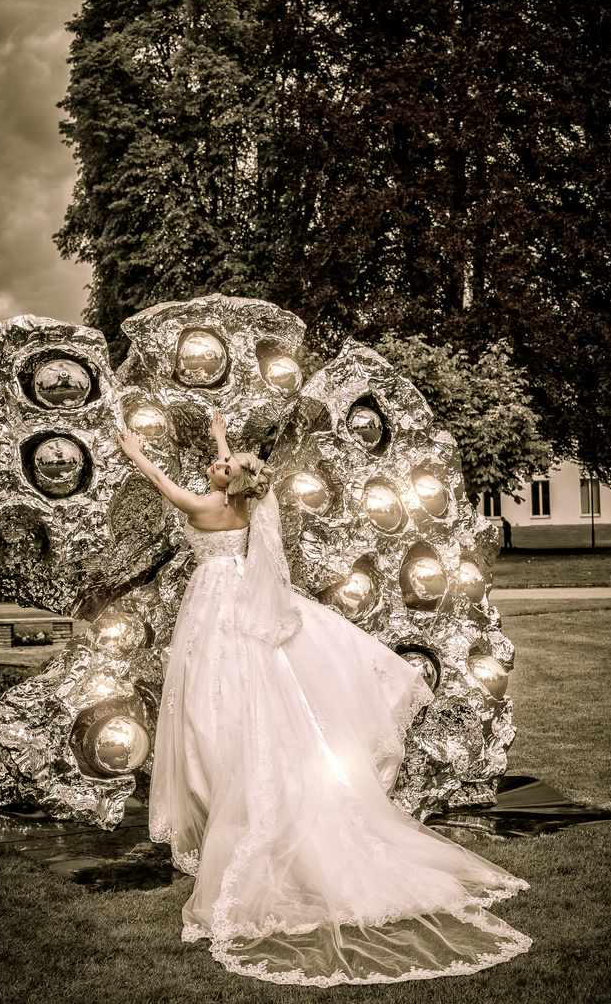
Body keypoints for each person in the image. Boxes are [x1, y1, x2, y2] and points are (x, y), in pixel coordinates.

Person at [116, 411, 532, 986]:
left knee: (215, 697)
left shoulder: (207, 505)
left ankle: (234, 797)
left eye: (221, 464)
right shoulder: (244, 502)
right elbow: (238, 472)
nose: (216, 464)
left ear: (228, 482)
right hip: (234, 598)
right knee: (246, 688)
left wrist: (135, 449)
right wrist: (220, 436)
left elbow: (165, 486)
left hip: (217, 605)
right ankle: (240, 786)